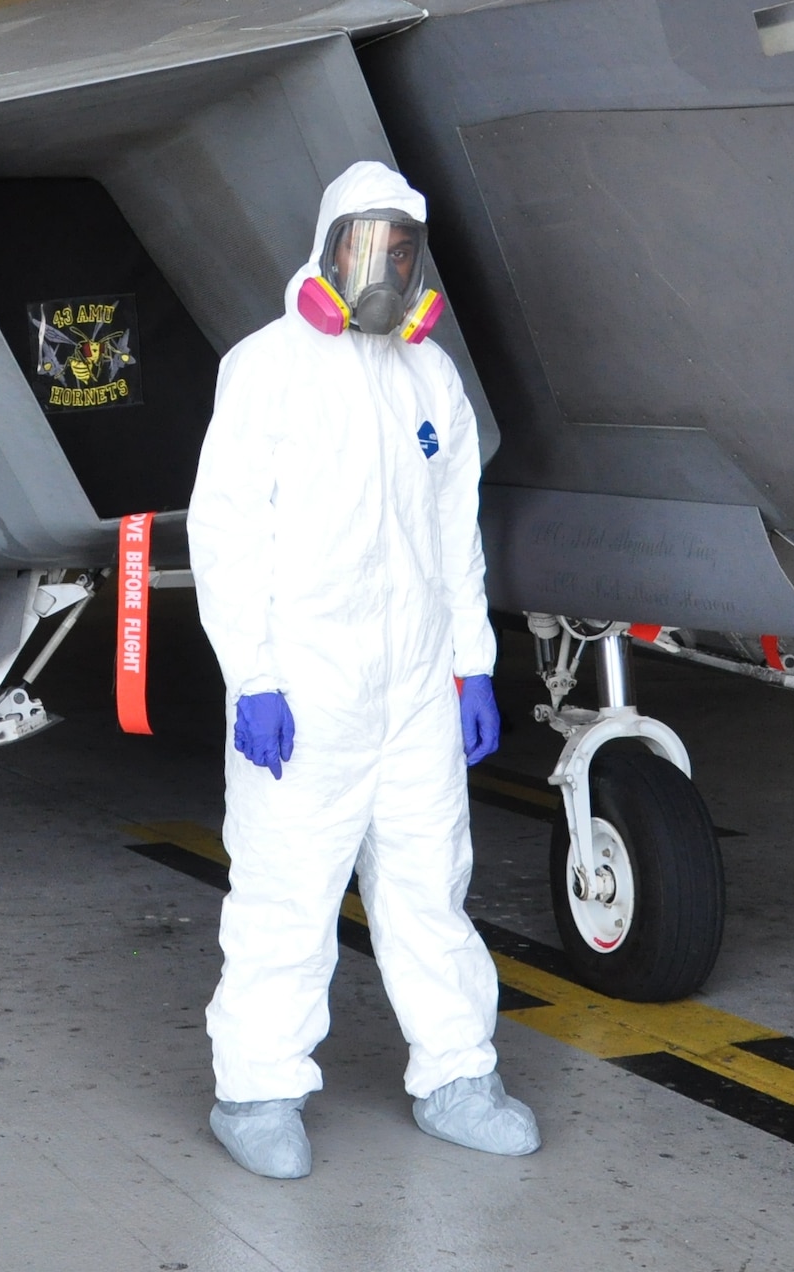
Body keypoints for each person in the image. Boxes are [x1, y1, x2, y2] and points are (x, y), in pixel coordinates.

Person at [185, 160, 538, 1180]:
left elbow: (451, 530)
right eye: (362, 243)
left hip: (416, 688)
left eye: (399, 246)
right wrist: (250, 674)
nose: (380, 264)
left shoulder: (431, 377)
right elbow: (223, 530)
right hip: (304, 686)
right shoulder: (265, 367)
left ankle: (457, 1074)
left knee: (431, 887)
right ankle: (255, 1087)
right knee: (286, 892)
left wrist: (471, 664)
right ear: (325, 246)